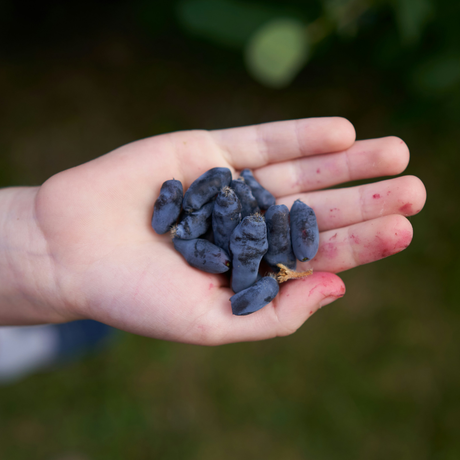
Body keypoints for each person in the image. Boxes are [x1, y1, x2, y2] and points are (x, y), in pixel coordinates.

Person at [0, 117, 426, 349]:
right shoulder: (214, 219)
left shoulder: (251, 224)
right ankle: (55, 340)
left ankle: (50, 340)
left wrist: (41, 243)